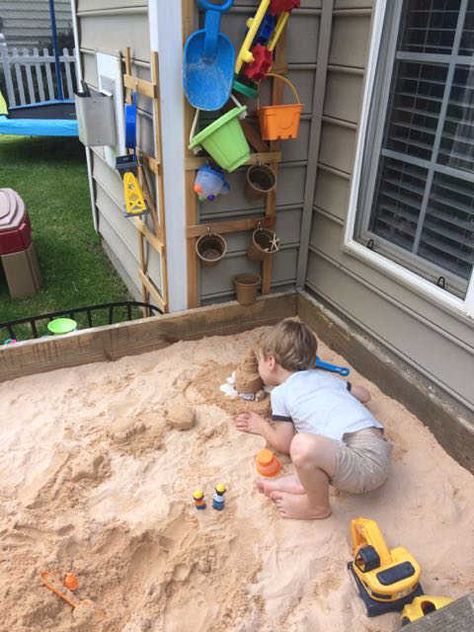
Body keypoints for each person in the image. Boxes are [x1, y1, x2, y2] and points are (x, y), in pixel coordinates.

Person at [234, 319, 392, 520]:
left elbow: (284, 443)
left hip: (362, 465)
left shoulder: (281, 393)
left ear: (271, 362)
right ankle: (297, 484)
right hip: (377, 450)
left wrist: (261, 425)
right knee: (313, 455)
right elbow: (365, 395)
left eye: (259, 363)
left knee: (301, 446)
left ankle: (317, 507)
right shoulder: (327, 378)